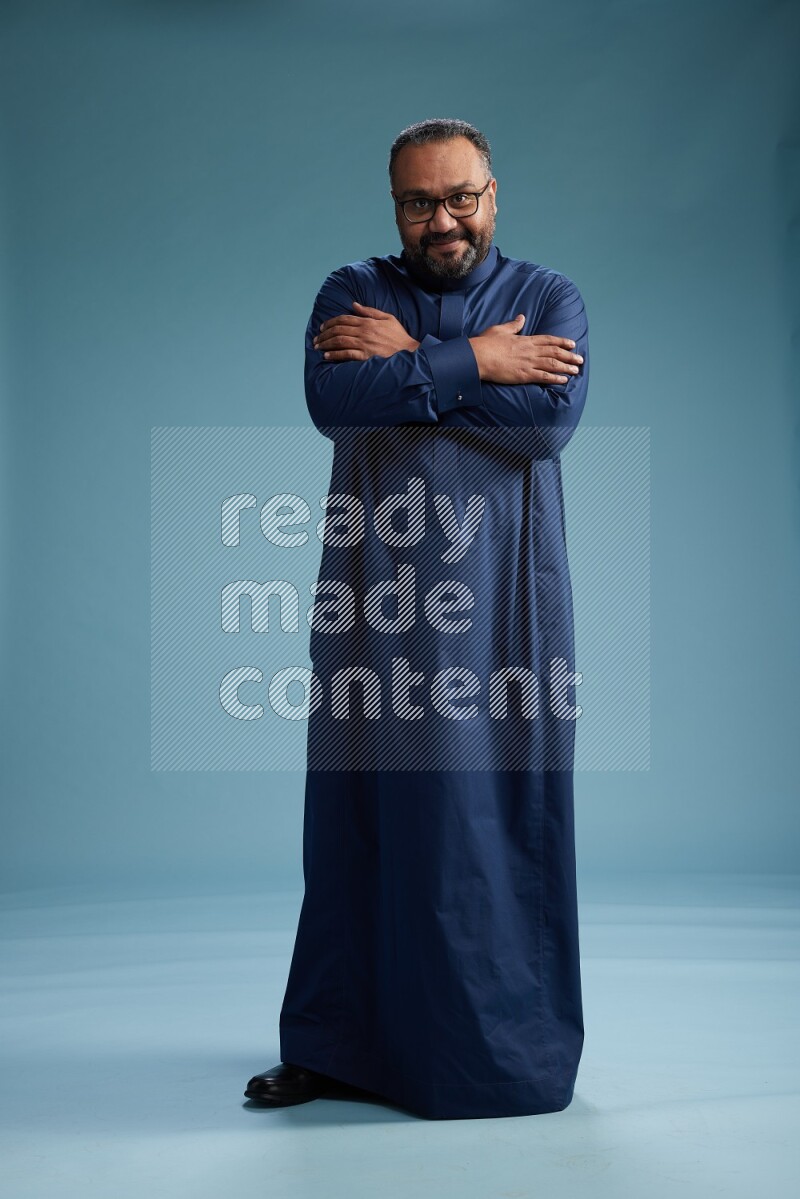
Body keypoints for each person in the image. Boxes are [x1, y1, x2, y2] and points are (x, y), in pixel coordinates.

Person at [245, 118, 589, 1120]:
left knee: (488, 817)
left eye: (460, 198)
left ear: (493, 195)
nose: (442, 221)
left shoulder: (548, 298)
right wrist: (479, 359)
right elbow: (336, 402)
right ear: (394, 206)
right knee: (357, 818)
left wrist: (416, 362)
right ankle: (334, 1043)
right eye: (418, 202)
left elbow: (546, 426)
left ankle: (503, 1053)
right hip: (374, 600)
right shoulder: (349, 293)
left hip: (502, 609)